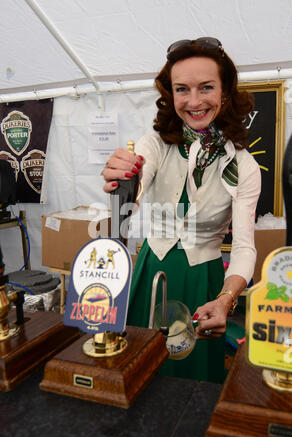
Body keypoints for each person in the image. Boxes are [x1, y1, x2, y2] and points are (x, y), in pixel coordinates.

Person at [102, 37, 261, 383]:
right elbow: (137, 182)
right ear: (170, 94)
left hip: (202, 281)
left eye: (206, 87)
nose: (194, 101)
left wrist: (226, 300)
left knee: (190, 380)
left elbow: (246, 248)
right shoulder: (154, 144)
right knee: (138, 369)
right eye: (181, 89)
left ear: (225, 91)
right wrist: (124, 182)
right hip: (150, 271)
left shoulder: (244, 166)